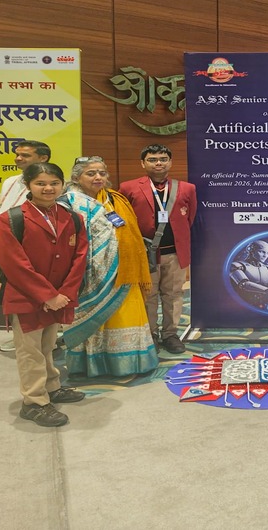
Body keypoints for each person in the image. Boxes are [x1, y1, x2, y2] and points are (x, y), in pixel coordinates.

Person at [0, 163, 88, 427]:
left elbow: (80, 257)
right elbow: (14, 264)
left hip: (59, 297)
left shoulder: (73, 218)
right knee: (30, 352)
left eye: (54, 183)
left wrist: (65, 293)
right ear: (28, 185)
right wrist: (47, 295)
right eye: (40, 183)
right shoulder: (11, 219)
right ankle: (34, 402)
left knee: (48, 346)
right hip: (27, 298)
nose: (48, 188)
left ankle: (52, 386)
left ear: (62, 185)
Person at [61, 157, 159, 376]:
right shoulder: (69, 202)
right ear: (77, 177)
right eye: (91, 173)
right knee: (95, 321)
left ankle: (130, 362)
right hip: (90, 276)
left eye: (102, 173)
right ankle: (94, 364)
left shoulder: (115, 199)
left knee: (127, 316)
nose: (98, 177)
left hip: (124, 272)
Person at [119, 144, 196, 354]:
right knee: (148, 295)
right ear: (142, 163)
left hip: (175, 253)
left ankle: (170, 334)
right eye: (152, 160)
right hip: (145, 254)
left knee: (174, 295)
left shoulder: (186, 188)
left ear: (170, 162)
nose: (158, 163)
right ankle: (150, 334)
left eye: (163, 159)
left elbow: (189, 218)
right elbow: (124, 219)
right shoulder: (128, 188)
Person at [0, 140, 52, 352]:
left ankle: (45, 339)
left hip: (32, 249)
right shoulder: (11, 181)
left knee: (37, 292)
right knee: (11, 292)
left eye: (25, 155)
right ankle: (20, 337)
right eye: (17, 154)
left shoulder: (50, 183)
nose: (18, 158)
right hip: (4, 246)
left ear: (43, 158)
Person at [229, 240, 268, 307]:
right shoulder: (236, 265)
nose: (265, 255)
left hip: (264, 305)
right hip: (243, 305)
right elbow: (244, 284)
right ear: (251, 251)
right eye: (262, 252)